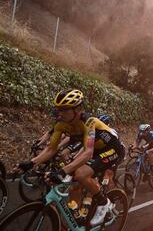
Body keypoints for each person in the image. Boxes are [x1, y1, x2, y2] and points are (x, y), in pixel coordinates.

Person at [15, 89, 125, 226]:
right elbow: (51, 149)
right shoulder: (61, 124)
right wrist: (31, 164)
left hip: (113, 149)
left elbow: (88, 153)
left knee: (81, 174)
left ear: (77, 110)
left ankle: (104, 203)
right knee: (73, 182)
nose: (60, 113)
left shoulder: (89, 122)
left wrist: (62, 171)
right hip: (95, 150)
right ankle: (78, 217)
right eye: (59, 109)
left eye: (65, 110)